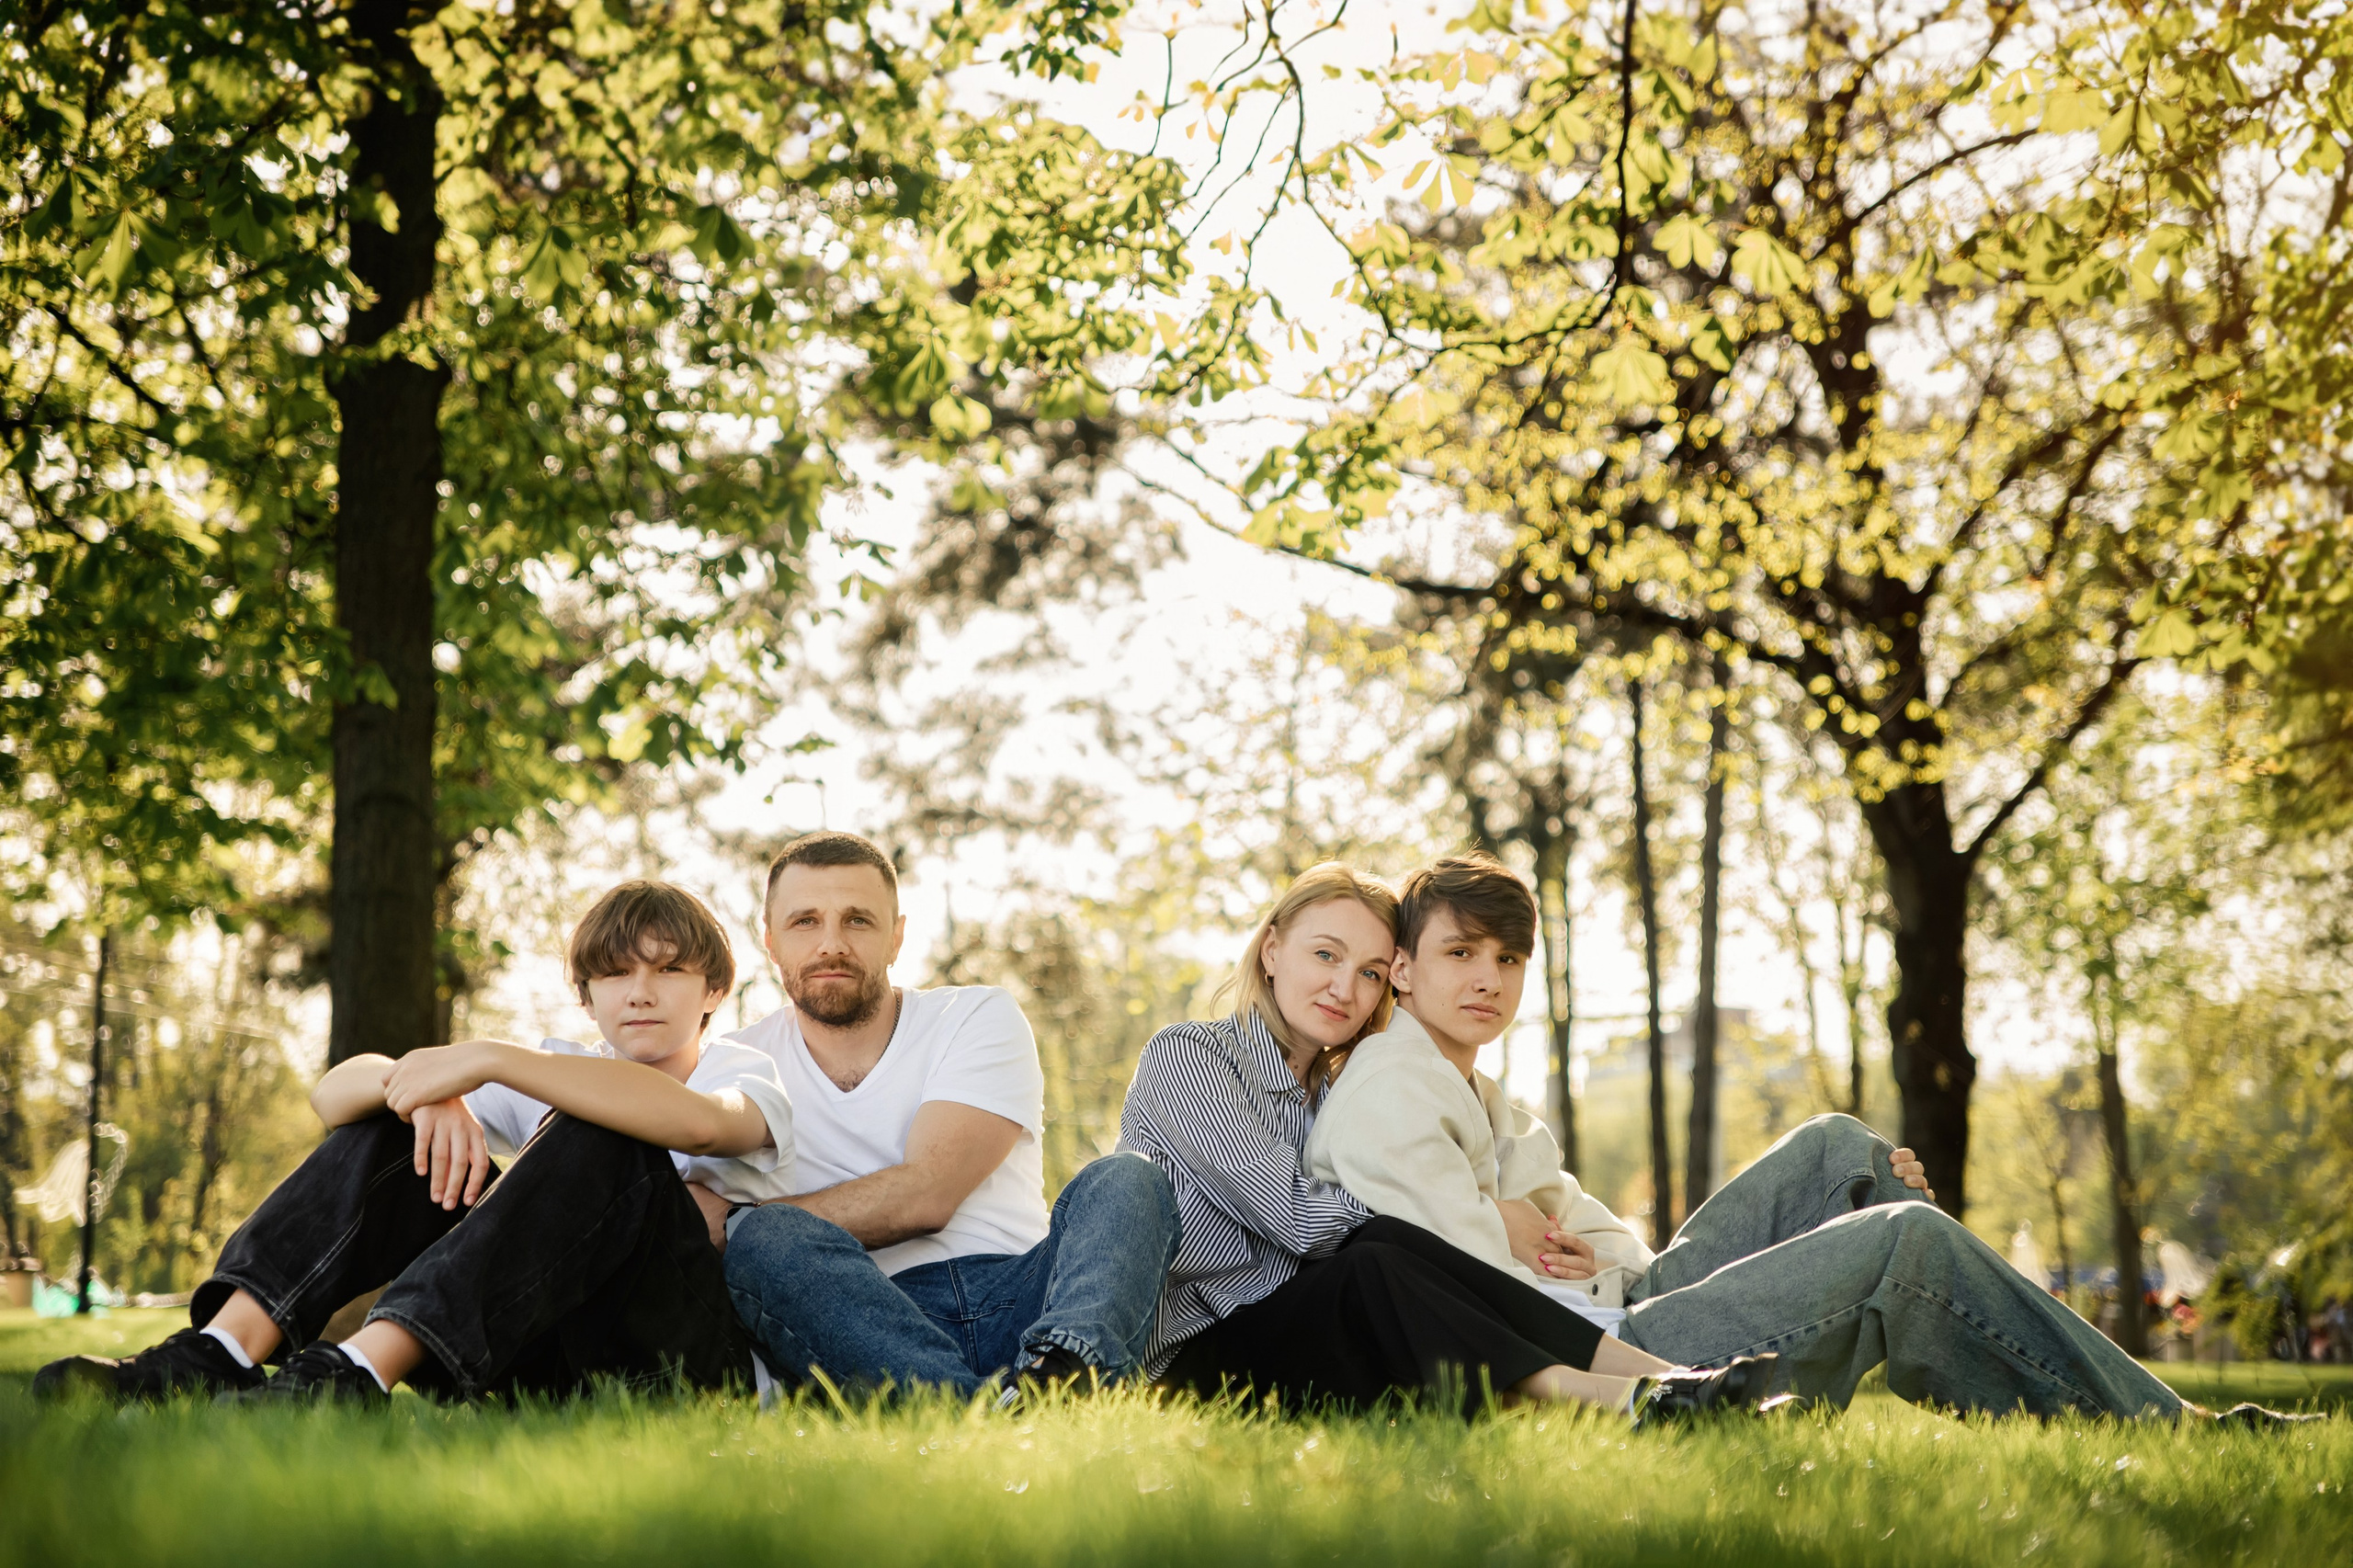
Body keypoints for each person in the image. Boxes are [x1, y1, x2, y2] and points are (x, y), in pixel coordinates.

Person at [1309, 853, 2313, 1427]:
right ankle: (2168, 1424)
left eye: (1508, 957)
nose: (1487, 977)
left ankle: (1935, 1311)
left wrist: (1541, 1227)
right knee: (1905, 1241)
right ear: (1400, 970)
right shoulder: (1394, 1087)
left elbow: (1612, 1244)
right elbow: (1476, 1298)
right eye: (1459, 953)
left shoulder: (1478, 1091)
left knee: (1844, 1151)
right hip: (1611, 1354)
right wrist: (1520, 1228)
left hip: (1622, 1299)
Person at [34, 881, 794, 1406]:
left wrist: (487, 1057)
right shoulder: (559, 1068)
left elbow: (699, 1125)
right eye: (615, 972)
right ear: (586, 994)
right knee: (394, 1124)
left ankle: (359, 1374)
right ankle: (220, 1352)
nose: (640, 991)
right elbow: (333, 1095)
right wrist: (431, 1093)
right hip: (544, 1356)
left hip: (681, 1361)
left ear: (714, 992)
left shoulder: (745, 1073)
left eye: (669, 970)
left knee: (606, 1131)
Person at [1119, 861, 1768, 1421]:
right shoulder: (1192, 1056)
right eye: (1325, 955)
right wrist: (1489, 1221)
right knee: (1380, 1248)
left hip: (1322, 1334)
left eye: (1370, 972)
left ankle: (1666, 1380)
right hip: (1191, 1360)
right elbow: (1296, 1219)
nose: (1346, 988)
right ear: (1270, 951)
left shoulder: (1330, 1091)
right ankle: (1616, 1399)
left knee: (1385, 1245)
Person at [716, 831, 1179, 1399]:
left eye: (858, 920)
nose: (831, 944)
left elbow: (928, 1194)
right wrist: (757, 1228)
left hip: (1022, 1297)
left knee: (1127, 1178)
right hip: (867, 1323)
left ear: (897, 937)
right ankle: (982, 1414)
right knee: (764, 1241)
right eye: (805, 921)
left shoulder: (974, 1016)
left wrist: (748, 1217)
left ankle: (1062, 1374)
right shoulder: (736, 1065)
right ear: (770, 941)